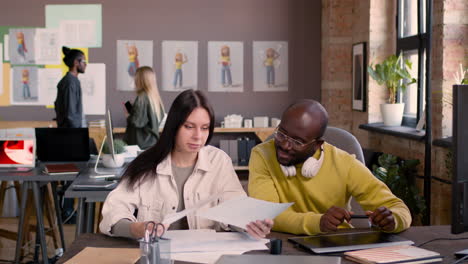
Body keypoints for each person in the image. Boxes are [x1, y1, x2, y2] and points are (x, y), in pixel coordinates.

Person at [100, 89, 273, 239]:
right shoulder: (146, 163)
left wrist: (250, 223)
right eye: (189, 127)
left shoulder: (219, 161)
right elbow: (113, 212)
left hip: (208, 258)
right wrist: (136, 228)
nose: (198, 136)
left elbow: (237, 207)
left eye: (205, 128)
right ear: (174, 126)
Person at [248, 99, 412, 235]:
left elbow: (399, 209)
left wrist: (392, 220)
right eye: (281, 134)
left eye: (297, 142)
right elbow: (267, 213)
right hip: (282, 243)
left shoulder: (344, 163)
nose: (284, 145)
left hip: (334, 243)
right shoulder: (262, 155)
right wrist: (318, 222)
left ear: (317, 144)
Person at [124, 66, 165, 150]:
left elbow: (137, 122)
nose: (134, 81)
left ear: (140, 80)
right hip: (152, 143)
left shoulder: (142, 97)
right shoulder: (155, 98)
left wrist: (128, 115)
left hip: (141, 145)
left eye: (136, 78)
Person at [54, 46, 87, 128]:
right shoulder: (69, 82)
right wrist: (78, 133)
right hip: (71, 133)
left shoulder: (73, 81)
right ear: (76, 62)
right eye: (84, 61)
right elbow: (70, 114)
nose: (86, 64)